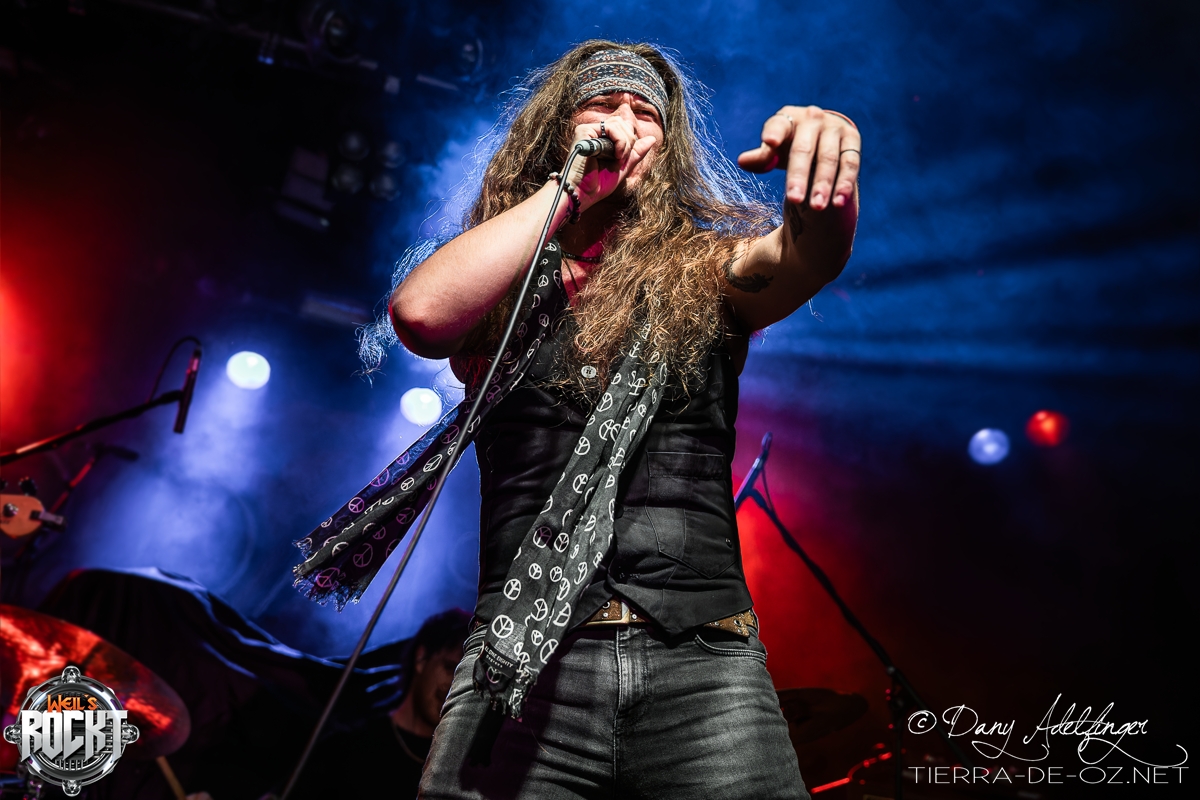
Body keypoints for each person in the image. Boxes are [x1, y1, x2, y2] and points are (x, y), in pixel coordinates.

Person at [296, 39, 858, 799]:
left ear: (667, 147)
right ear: (557, 129)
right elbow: (421, 315)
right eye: (602, 105)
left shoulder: (702, 269)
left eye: (646, 113)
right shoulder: (503, 281)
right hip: (520, 661)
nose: (625, 122)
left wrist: (829, 190)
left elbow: (802, 257)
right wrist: (569, 190)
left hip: (702, 663)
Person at [289, 609, 472, 799]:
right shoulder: (347, 743)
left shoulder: (461, 775)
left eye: (468, 681)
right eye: (451, 669)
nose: (455, 687)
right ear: (421, 658)